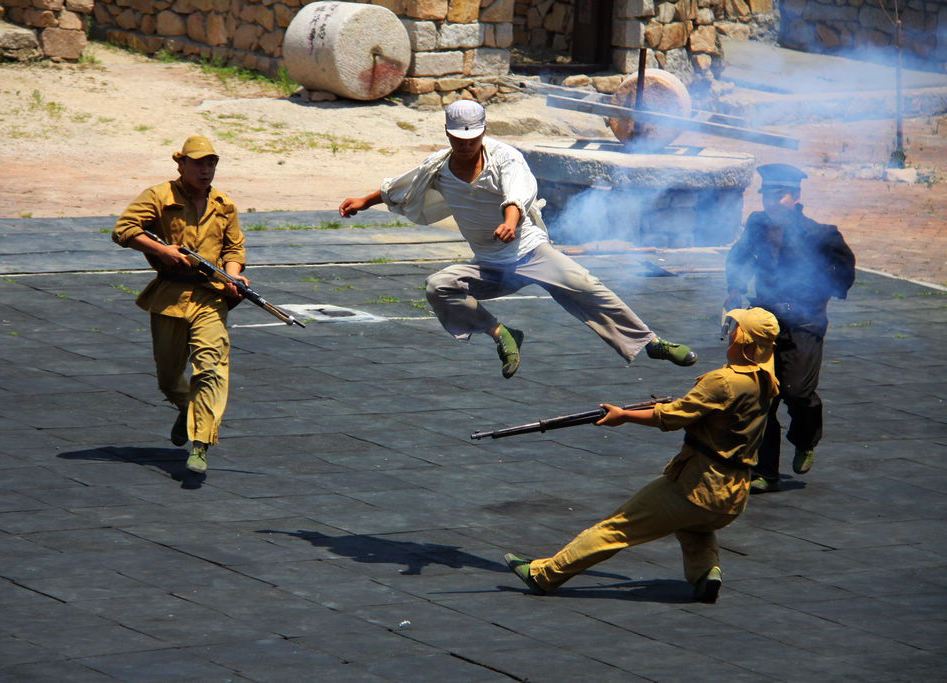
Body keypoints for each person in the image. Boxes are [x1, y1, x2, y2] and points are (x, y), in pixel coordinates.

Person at [338, 100, 696, 378]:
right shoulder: (438, 167)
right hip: (491, 265)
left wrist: (510, 222)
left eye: (472, 138)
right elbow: (400, 187)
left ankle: (650, 342)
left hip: (529, 252)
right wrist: (363, 202)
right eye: (458, 139)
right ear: (448, 134)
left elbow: (518, 194)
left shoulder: (505, 158)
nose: (465, 146)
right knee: (438, 286)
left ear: (483, 131)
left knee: (587, 287)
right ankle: (501, 333)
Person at [503, 307, 780, 602]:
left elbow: (672, 417)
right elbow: (715, 413)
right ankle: (705, 573)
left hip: (698, 486)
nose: (729, 334)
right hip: (732, 496)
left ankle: (544, 575)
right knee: (696, 526)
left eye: (735, 330)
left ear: (746, 342)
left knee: (617, 527)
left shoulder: (723, 381)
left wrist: (624, 415)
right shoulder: (766, 379)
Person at [111, 135, 247, 474]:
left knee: (210, 368)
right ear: (181, 164)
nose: (205, 170)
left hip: (211, 296)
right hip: (170, 296)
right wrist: (163, 251)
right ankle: (188, 411)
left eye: (211, 163)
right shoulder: (159, 195)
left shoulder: (224, 204)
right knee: (169, 378)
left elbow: (233, 250)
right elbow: (123, 230)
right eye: (198, 163)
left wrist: (232, 276)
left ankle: (200, 444)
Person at [725, 163, 855, 493]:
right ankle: (765, 471)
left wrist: (825, 293)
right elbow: (738, 257)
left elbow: (845, 267)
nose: (771, 202)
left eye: (778, 195)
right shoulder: (757, 225)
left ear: (795, 197)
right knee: (762, 396)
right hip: (766, 321)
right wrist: (734, 290)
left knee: (797, 392)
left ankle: (805, 439)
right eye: (767, 195)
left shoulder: (820, 234)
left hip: (805, 322)